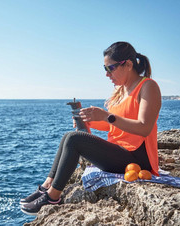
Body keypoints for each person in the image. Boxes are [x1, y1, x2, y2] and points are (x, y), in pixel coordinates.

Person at [20, 41, 161, 216]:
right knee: (69, 136)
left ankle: (53, 197)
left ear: (128, 64)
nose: (107, 74)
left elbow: (144, 127)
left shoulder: (148, 86)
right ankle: (47, 185)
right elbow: (114, 124)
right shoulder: (120, 91)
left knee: (74, 139)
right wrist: (90, 121)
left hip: (138, 158)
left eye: (111, 68)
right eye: (105, 69)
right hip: (119, 152)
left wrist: (105, 116)